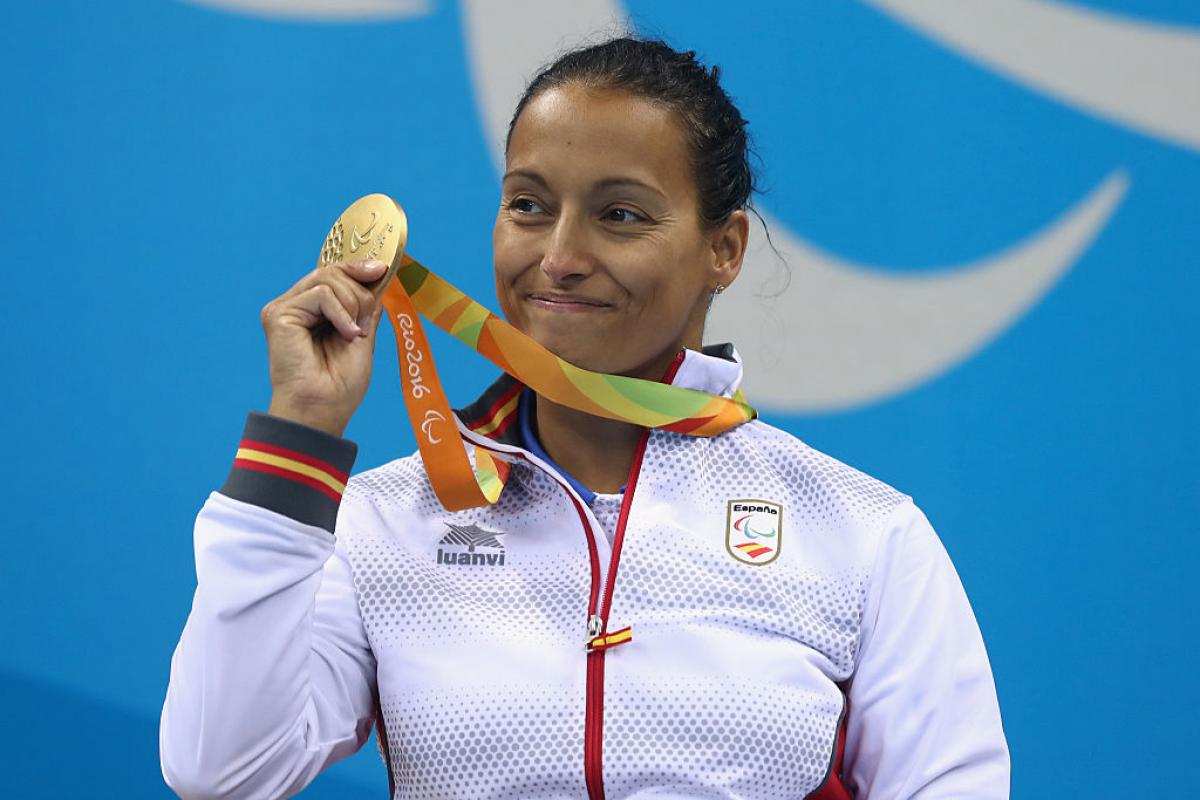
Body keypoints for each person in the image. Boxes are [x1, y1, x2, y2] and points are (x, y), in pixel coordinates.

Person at [160, 37, 1009, 799]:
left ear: (725, 249)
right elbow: (224, 771)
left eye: (620, 215)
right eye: (529, 205)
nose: (559, 258)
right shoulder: (387, 521)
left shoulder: (861, 532)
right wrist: (300, 435)